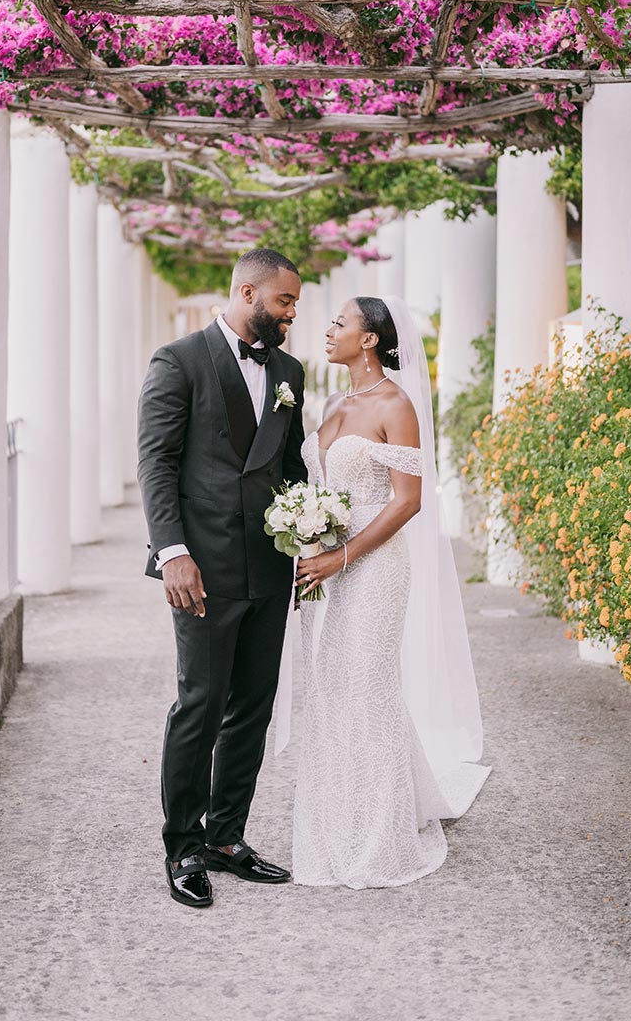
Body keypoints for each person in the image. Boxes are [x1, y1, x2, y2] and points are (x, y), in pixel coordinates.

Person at [291, 295, 491, 888]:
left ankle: (379, 835)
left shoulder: (395, 404)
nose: (328, 330)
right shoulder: (333, 401)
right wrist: (306, 535)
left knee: (368, 686)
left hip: (371, 569)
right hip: (320, 568)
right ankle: (336, 818)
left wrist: (341, 555)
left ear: (371, 338)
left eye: (339, 322)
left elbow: (408, 500)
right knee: (329, 690)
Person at [137, 249, 307, 908]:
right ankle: (182, 847)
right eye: (285, 302)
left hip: (269, 564)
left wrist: (310, 534)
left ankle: (225, 838)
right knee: (200, 705)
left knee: (253, 708)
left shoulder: (289, 370)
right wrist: (171, 550)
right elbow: (156, 464)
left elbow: (290, 469)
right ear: (248, 293)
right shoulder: (177, 361)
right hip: (199, 567)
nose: (293, 314)